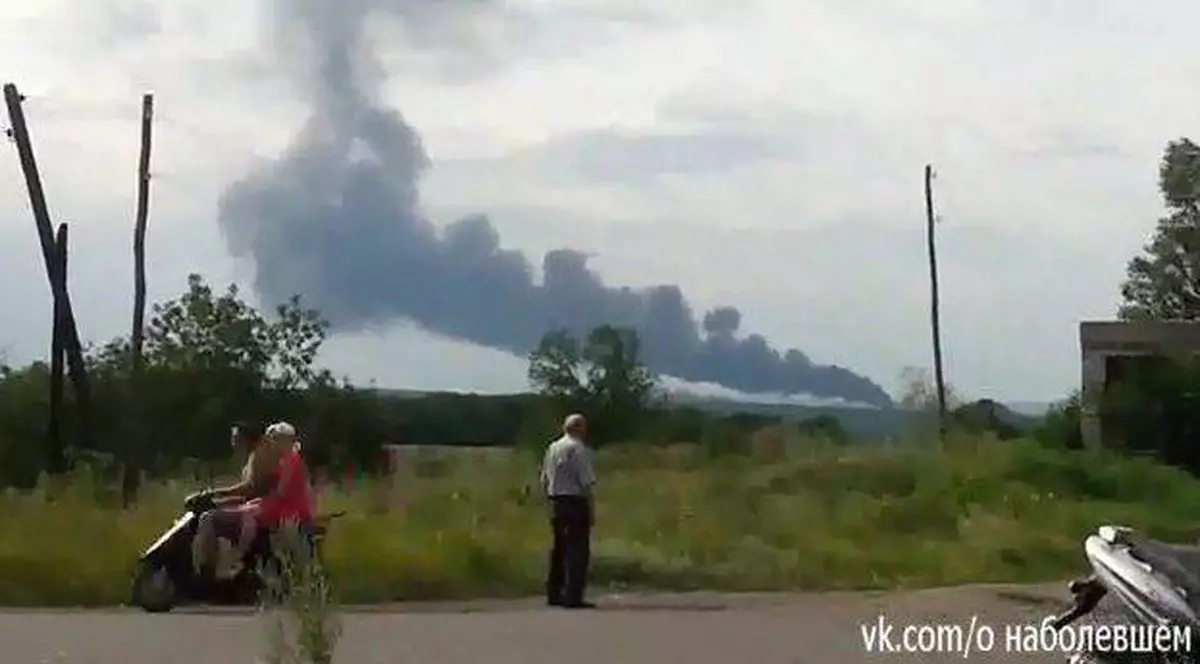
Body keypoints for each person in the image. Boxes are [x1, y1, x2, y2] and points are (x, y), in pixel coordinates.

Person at [191, 420, 283, 582]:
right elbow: (251, 494)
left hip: (263, 511)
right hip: (258, 507)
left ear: (245, 439)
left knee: (208, 519)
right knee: (211, 512)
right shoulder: (257, 455)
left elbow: (251, 489)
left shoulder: (259, 456)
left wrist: (215, 493)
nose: (233, 442)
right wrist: (218, 501)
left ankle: (207, 574)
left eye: (235, 438)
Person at [540, 413, 596, 609]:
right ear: (578, 428)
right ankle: (573, 595)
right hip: (574, 501)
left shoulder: (553, 447)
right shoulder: (577, 449)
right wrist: (591, 508)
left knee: (559, 548)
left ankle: (554, 593)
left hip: (556, 501)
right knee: (577, 550)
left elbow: (544, 478)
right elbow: (586, 482)